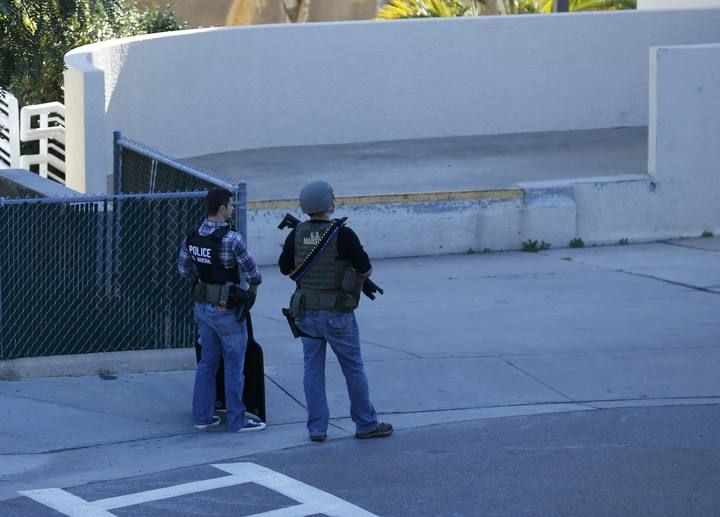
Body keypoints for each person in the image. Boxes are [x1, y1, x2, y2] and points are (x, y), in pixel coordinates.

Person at [278, 180, 392, 442]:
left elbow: (285, 269)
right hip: (337, 314)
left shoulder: (295, 234)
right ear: (329, 204)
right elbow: (364, 270)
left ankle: (317, 429)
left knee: (312, 369)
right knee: (353, 368)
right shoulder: (344, 234)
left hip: (306, 312)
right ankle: (365, 423)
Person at [178, 188, 266, 433]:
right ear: (222, 208)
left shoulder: (192, 236)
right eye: (230, 205)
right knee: (234, 365)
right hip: (227, 310)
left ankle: (202, 416)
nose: (233, 208)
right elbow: (253, 273)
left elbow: (184, 271)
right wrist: (252, 291)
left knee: (207, 362)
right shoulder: (232, 239)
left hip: (202, 308)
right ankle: (237, 420)